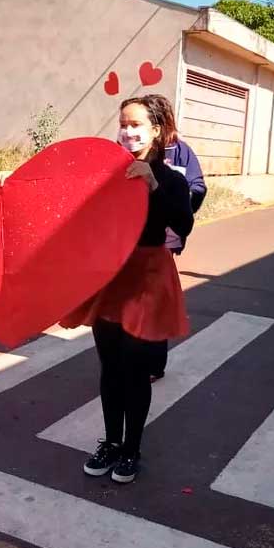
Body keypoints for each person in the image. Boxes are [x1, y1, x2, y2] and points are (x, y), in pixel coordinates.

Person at [60, 94, 194, 484]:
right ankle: (111, 442)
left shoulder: (170, 179)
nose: (128, 131)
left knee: (135, 368)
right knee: (110, 366)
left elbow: (182, 225)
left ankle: (131, 449)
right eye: (123, 123)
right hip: (110, 275)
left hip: (147, 275)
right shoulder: (106, 173)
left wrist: (153, 186)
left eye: (136, 124)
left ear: (156, 130)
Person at [147, 94, 207, 382]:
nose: (130, 131)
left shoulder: (182, 152)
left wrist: (177, 204)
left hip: (162, 243)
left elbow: (197, 187)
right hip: (128, 244)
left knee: (155, 303)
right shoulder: (128, 154)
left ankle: (154, 365)